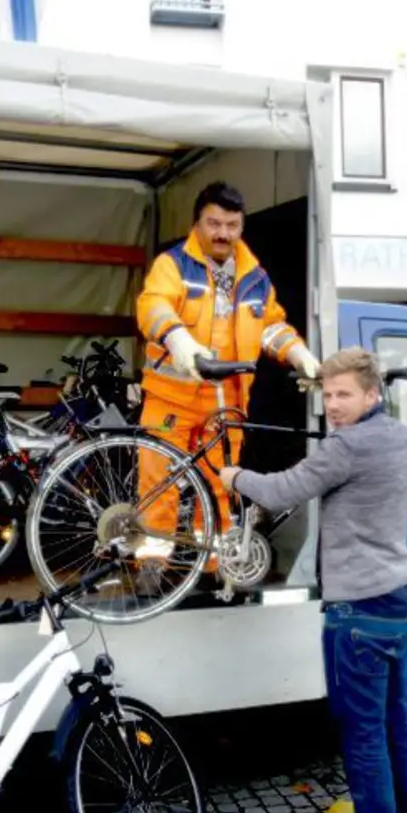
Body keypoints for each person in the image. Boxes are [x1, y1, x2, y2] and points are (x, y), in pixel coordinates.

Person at [218, 347, 407, 813]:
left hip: (357, 610)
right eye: (328, 395)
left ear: (371, 395)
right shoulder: (400, 437)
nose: (333, 405)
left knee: (363, 737)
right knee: (396, 721)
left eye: (344, 395)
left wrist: (234, 476)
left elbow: (282, 488)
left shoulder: (345, 449)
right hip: (401, 596)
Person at [134, 181, 319, 576]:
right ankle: (152, 564)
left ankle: (215, 564)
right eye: (214, 223)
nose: (223, 233)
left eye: (232, 225)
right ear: (197, 224)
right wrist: (176, 335)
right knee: (157, 479)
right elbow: (153, 304)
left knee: (221, 484)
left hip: (227, 399)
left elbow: (271, 326)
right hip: (172, 395)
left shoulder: (255, 276)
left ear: (241, 225)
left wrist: (298, 354)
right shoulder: (173, 264)